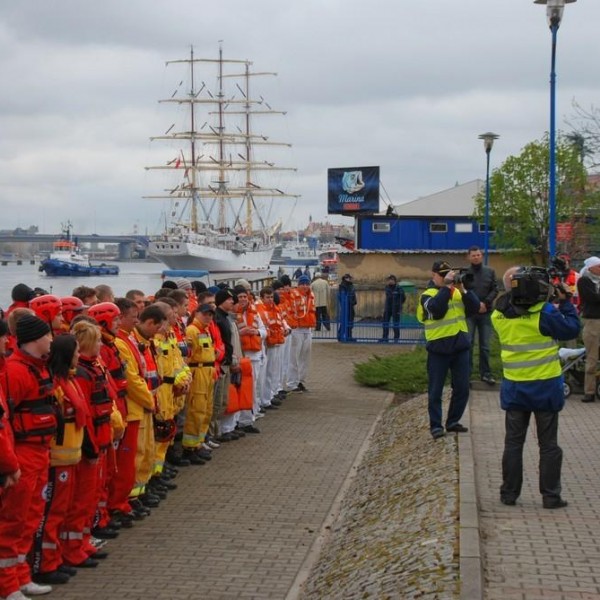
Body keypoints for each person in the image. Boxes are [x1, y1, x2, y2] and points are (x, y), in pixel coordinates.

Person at [491, 266, 580, 508]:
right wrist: (567, 302)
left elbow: (511, 304)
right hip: (545, 389)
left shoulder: (498, 315)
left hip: (515, 389)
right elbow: (572, 328)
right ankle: (550, 496)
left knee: (513, 443)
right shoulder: (545, 313)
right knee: (549, 445)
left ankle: (509, 493)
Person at [0, 314, 56, 599]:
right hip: (23, 453)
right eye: (48, 335)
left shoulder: (38, 368)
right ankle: (7, 584)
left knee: (30, 519)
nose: (52, 339)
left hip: (39, 451)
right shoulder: (16, 372)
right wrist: (10, 461)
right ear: (35, 339)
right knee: (13, 521)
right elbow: (6, 421)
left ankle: (21, 576)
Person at [417, 261, 480, 439]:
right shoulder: (427, 295)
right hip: (438, 349)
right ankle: (436, 425)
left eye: (448, 275)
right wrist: (446, 288)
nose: (446, 278)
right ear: (434, 275)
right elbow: (436, 310)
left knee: (462, 388)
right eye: (442, 275)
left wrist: (464, 289)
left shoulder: (458, 293)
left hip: (460, 347)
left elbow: (475, 308)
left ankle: (452, 421)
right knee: (436, 390)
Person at [465, 246, 499, 384]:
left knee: (485, 346)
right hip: (470, 313)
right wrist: (475, 305)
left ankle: (486, 373)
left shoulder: (490, 271)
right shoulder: (465, 273)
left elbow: (495, 289)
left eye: (478, 255)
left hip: (486, 312)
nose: (476, 257)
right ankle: (466, 374)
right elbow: (463, 292)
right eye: (473, 255)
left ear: (482, 256)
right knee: (468, 344)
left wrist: (486, 302)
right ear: (469, 257)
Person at [576, 256, 600, 402]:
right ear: (590, 268)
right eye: (598, 266)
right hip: (593, 321)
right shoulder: (584, 281)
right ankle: (589, 391)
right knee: (592, 357)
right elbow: (593, 298)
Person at [382, 275, 405, 342]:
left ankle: (396, 339)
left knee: (396, 324)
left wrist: (398, 304)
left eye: (391, 280)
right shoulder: (387, 287)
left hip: (396, 308)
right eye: (389, 280)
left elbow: (403, 298)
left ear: (394, 281)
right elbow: (389, 295)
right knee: (385, 323)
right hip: (388, 308)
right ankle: (385, 338)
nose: (390, 281)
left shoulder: (399, 288)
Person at [337, 273, 357, 341]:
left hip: (350, 305)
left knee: (349, 322)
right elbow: (343, 297)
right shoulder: (343, 286)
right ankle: (343, 336)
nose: (350, 279)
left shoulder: (349, 285)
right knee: (346, 321)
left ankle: (348, 336)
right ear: (346, 278)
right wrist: (351, 301)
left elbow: (353, 295)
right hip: (346, 306)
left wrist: (353, 301)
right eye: (349, 278)